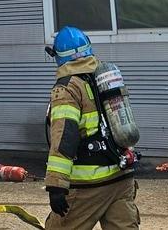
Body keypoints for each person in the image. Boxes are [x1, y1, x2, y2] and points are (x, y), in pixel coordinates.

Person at [42, 26, 140, 230]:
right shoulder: (104, 76)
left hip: (91, 185)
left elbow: (64, 137)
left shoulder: (67, 88)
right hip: (121, 179)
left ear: (58, 56)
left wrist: (56, 185)